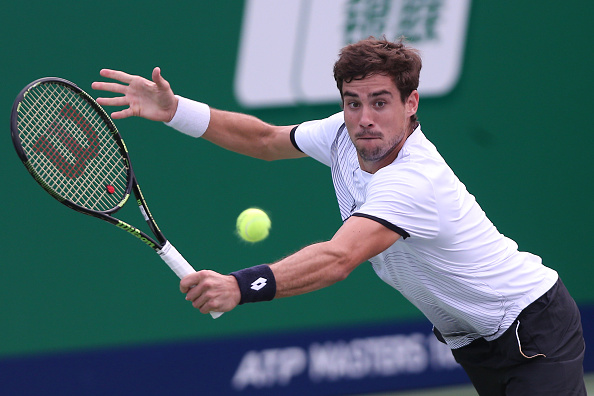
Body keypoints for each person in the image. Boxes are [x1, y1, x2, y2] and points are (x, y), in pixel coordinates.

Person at [92, 37, 586, 395]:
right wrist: (176, 110)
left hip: (530, 325)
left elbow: (337, 258)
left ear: (411, 104)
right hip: (475, 339)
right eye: (353, 103)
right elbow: (264, 140)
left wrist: (239, 286)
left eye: (380, 102)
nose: (365, 117)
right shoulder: (342, 134)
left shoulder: (413, 181)